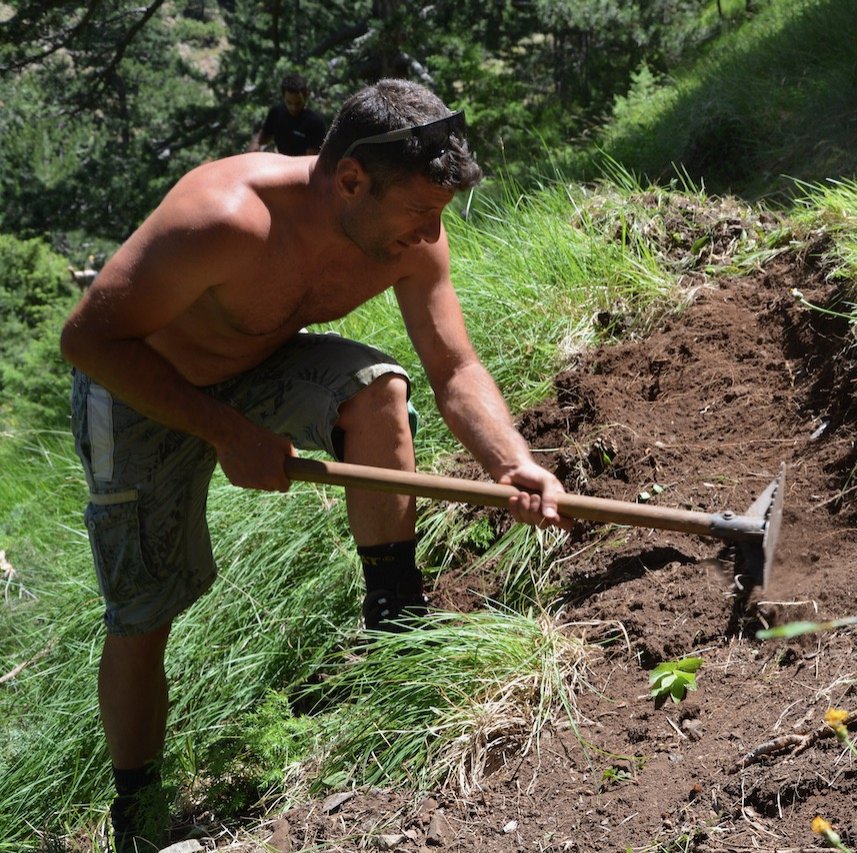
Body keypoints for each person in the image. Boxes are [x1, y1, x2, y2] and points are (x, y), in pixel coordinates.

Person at [60, 78, 570, 852]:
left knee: (376, 393)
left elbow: (455, 367)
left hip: (251, 367)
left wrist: (513, 462)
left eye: (440, 215)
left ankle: (396, 633)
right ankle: (139, 809)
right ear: (352, 180)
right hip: (134, 388)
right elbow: (88, 341)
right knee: (144, 611)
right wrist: (226, 431)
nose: (432, 235)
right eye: (419, 213)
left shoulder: (408, 233)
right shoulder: (224, 216)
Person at [246, 73, 326, 156]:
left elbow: (310, 159)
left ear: (305, 97)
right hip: (281, 162)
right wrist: (255, 143)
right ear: (283, 97)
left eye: (298, 103)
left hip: (301, 165)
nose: (293, 107)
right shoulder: (276, 112)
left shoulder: (315, 123)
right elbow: (264, 136)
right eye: (289, 103)